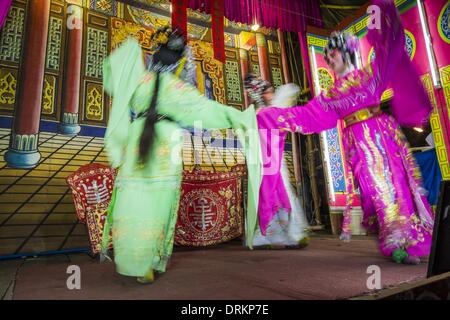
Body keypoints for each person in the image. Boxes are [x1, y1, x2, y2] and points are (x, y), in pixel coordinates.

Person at [255, 0, 434, 264]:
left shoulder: (371, 73)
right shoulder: (330, 94)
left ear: (346, 52)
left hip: (384, 135)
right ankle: (394, 241)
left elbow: (391, 48)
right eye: (327, 57)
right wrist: (271, 116)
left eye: (332, 55)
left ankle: (406, 242)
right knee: (376, 189)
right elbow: (308, 116)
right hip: (358, 143)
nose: (329, 60)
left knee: (397, 185)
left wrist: (381, 17)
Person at [101, 28, 261, 283]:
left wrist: (130, 48)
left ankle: (131, 259)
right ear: (178, 63)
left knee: (133, 199)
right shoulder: (176, 89)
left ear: (155, 58)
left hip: (137, 140)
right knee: (159, 203)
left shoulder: (139, 82)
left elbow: (113, 76)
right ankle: (150, 261)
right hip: (166, 142)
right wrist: (239, 117)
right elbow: (206, 109)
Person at [244, 74, 310, 248]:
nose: (271, 95)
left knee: (277, 195)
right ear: (259, 95)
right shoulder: (263, 114)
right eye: (267, 92)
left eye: (272, 91)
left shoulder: (262, 113)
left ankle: (284, 234)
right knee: (273, 196)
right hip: (265, 162)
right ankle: (278, 234)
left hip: (272, 161)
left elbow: (292, 89)